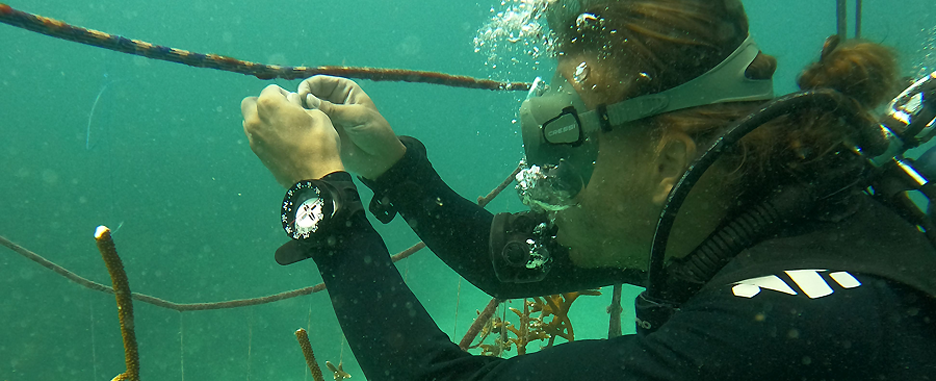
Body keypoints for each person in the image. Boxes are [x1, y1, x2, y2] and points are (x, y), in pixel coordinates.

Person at [240, 0, 936, 379]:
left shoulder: (770, 335)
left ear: (667, 158)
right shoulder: (739, 203)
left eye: (565, 152)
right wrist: (392, 167)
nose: (537, 181)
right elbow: (499, 257)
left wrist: (321, 199)